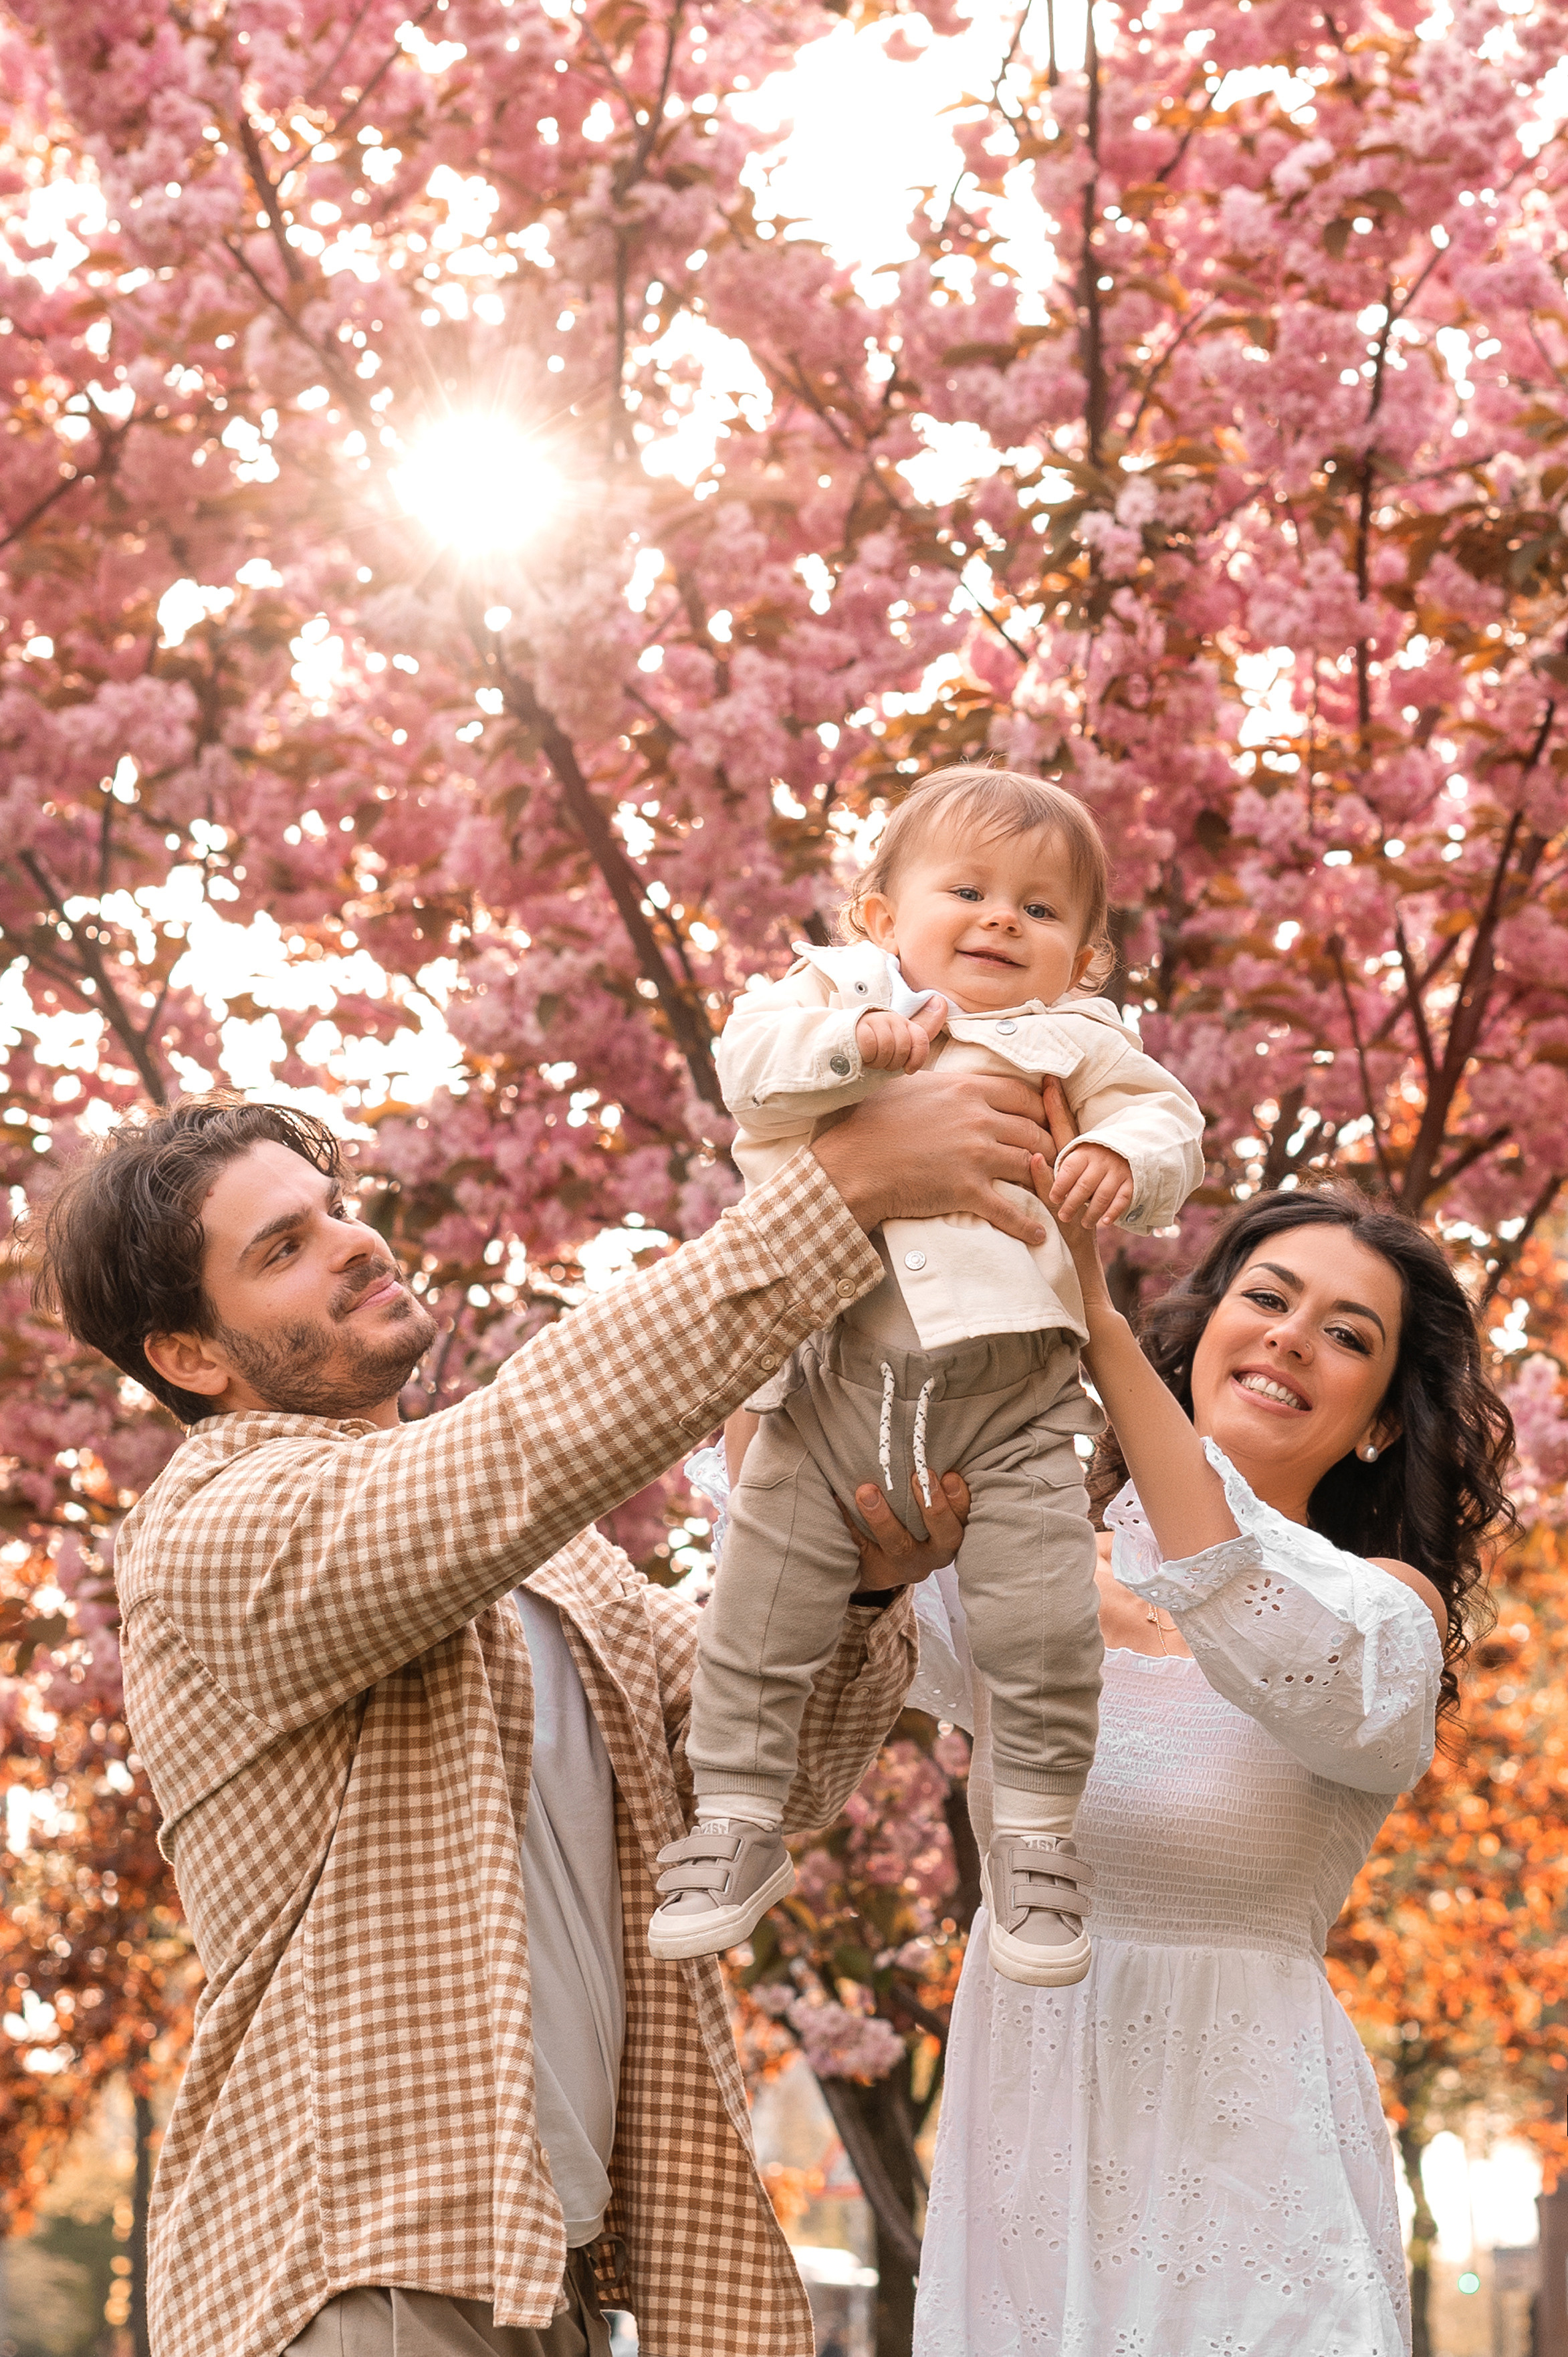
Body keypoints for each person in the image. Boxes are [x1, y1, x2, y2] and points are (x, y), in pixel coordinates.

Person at [33, 1069, 1060, 2357]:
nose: (352, 1242)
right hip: (356, 2263)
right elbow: (519, 1449)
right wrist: (835, 1192)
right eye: (282, 1249)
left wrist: (858, 1588)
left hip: (548, 2267)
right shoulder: (208, 1528)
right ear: (190, 1355)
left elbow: (770, 1773)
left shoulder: (557, 1564)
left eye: (334, 1208)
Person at [905, 1157, 1515, 2356]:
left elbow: (1222, 1582)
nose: (1290, 1337)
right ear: (1205, 1333)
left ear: (1381, 1421)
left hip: (1256, 2197)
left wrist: (1096, 1320)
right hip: (1029, 2171)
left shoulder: (1381, 1616)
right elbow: (802, 1542)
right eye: (1268, 1298)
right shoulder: (1028, 1566)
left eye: (1345, 1333)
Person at [649, 768, 1204, 1988]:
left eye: (1039, 909)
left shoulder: (1079, 1040)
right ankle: (735, 1815)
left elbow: (1167, 1122)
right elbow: (748, 1067)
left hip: (1011, 1403)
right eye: (966, 891)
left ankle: (1035, 1838)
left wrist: (1117, 1152)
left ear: (1085, 960)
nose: (1001, 918)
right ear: (878, 917)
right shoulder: (830, 995)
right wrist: (855, 1047)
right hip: (829, 1385)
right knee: (757, 1609)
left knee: (1041, 1621)